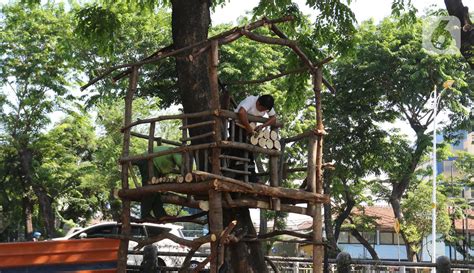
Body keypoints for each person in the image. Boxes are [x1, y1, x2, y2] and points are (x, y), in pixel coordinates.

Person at [230, 94, 277, 182]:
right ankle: (237, 175)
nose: (264, 111)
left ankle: (251, 176)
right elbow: (241, 112)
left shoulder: (267, 105)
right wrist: (248, 127)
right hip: (237, 127)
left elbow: (274, 118)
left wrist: (263, 126)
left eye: (265, 110)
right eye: (262, 109)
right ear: (258, 103)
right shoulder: (251, 100)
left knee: (249, 151)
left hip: (249, 130)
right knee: (237, 150)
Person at [132, 146, 182, 220]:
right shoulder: (178, 152)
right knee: (150, 189)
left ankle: (160, 215)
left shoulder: (170, 154)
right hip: (148, 161)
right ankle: (145, 215)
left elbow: (165, 169)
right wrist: (188, 171)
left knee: (156, 191)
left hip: (152, 163)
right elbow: (181, 164)